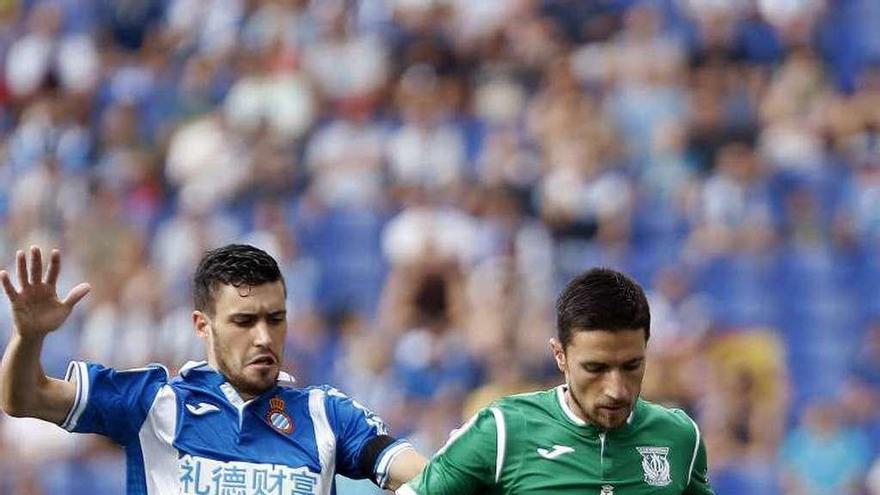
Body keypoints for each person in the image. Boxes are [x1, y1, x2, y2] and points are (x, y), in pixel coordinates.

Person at [0, 244, 426, 494]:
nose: (264, 337)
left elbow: (427, 479)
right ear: (203, 326)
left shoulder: (326, 415)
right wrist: (30, 336)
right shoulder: (154, 403)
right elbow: (24, 399)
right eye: (244, 321)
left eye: (275, 319)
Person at [398, 267, 714, 494]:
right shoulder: (503, 431)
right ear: (559, 355)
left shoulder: (680, 437)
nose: (616, 389)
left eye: (632, 365)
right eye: (595, 368)